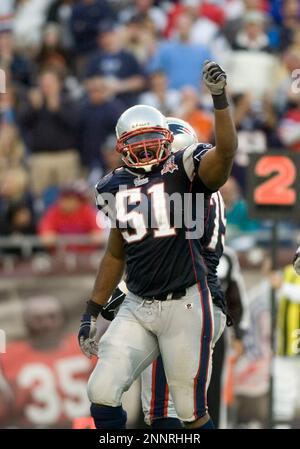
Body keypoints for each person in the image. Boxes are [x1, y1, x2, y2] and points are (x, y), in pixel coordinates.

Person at [78, 60, 237, 429]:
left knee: (186, 412)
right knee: (101, 392)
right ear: (120, 148)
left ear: (168, 141)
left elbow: (225, 153)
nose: (146, 149)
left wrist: (219, 99)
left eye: (152, 140)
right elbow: (116, 252)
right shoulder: (111, 187)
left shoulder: (186, 169)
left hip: (188, 299)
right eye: (136, 143)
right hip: (138, 301)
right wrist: (93, 309)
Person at [1, 296, 95, 428]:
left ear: (63, 319)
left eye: (52, 317)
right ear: (26, 322)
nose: (46, 324)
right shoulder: (8, 356)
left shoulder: (85, 346)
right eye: (38, 319)